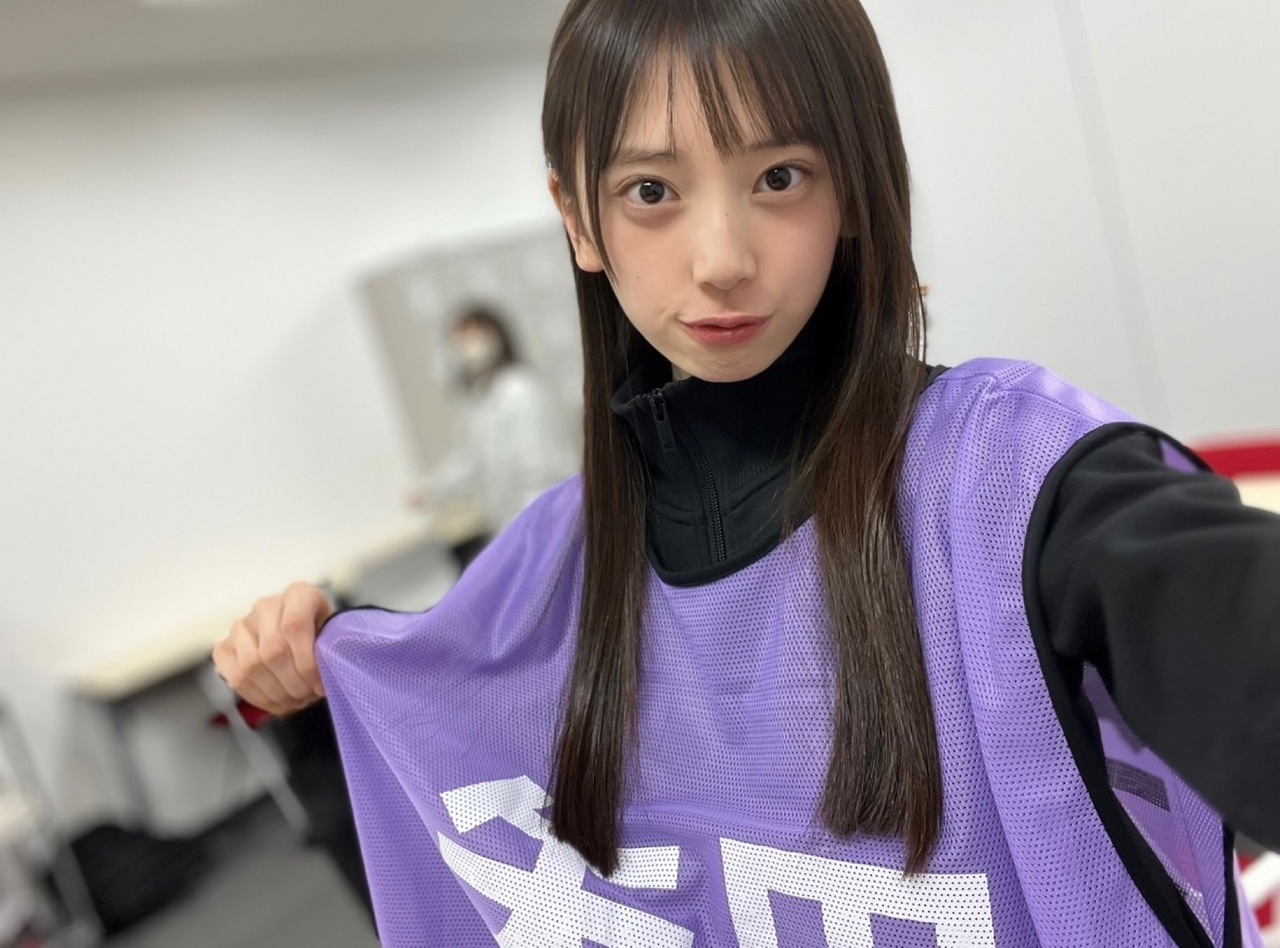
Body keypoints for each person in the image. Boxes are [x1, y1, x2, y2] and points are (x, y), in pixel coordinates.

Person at [213, 0, 1280, 944]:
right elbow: (454, 871)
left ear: (853, 187)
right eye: (651, 191)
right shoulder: (547, 568)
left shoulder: (1011, 482)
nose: (721, 258)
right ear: (578, 219)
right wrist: (311, 684)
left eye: (779, 177)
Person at [408, 304, 580, 569]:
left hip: (547, 522)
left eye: (477, 333)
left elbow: (540, 467)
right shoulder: (479, 403)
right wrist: (433, 489)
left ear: (498, 336)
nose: (470, 344)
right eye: (463, 336)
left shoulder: (520, 390)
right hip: (516, 527)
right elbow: (471, 462)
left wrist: (528, 530)